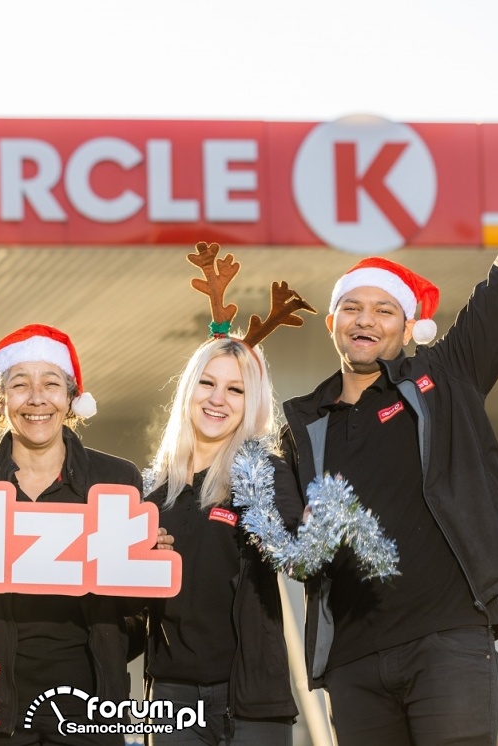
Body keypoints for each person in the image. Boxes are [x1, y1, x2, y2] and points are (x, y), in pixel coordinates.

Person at [279, 110, 498, 745]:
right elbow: (283, 532)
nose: (365, 319)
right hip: (353, 661)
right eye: (351, 307)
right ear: (332, 323)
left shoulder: (446, 376)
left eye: (383, 310)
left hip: (450, 641)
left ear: (407, 329)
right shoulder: (300, 424)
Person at [0, 323, 166, 746]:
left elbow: (135, 607)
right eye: (19, 384)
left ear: (70, 398)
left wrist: (147, 562)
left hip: (90, 711)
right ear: (1, 399)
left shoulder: (117, 478)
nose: (36, 399)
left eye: (50, 383)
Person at [138, 244, 314, 745]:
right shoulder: (149, 492)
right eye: (208, 383)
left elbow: (297, 546)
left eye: (235, 390)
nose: (218, 399)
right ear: (188, 390)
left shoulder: (261, 474)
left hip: (250, 702)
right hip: (170, 702)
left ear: (250, 402)